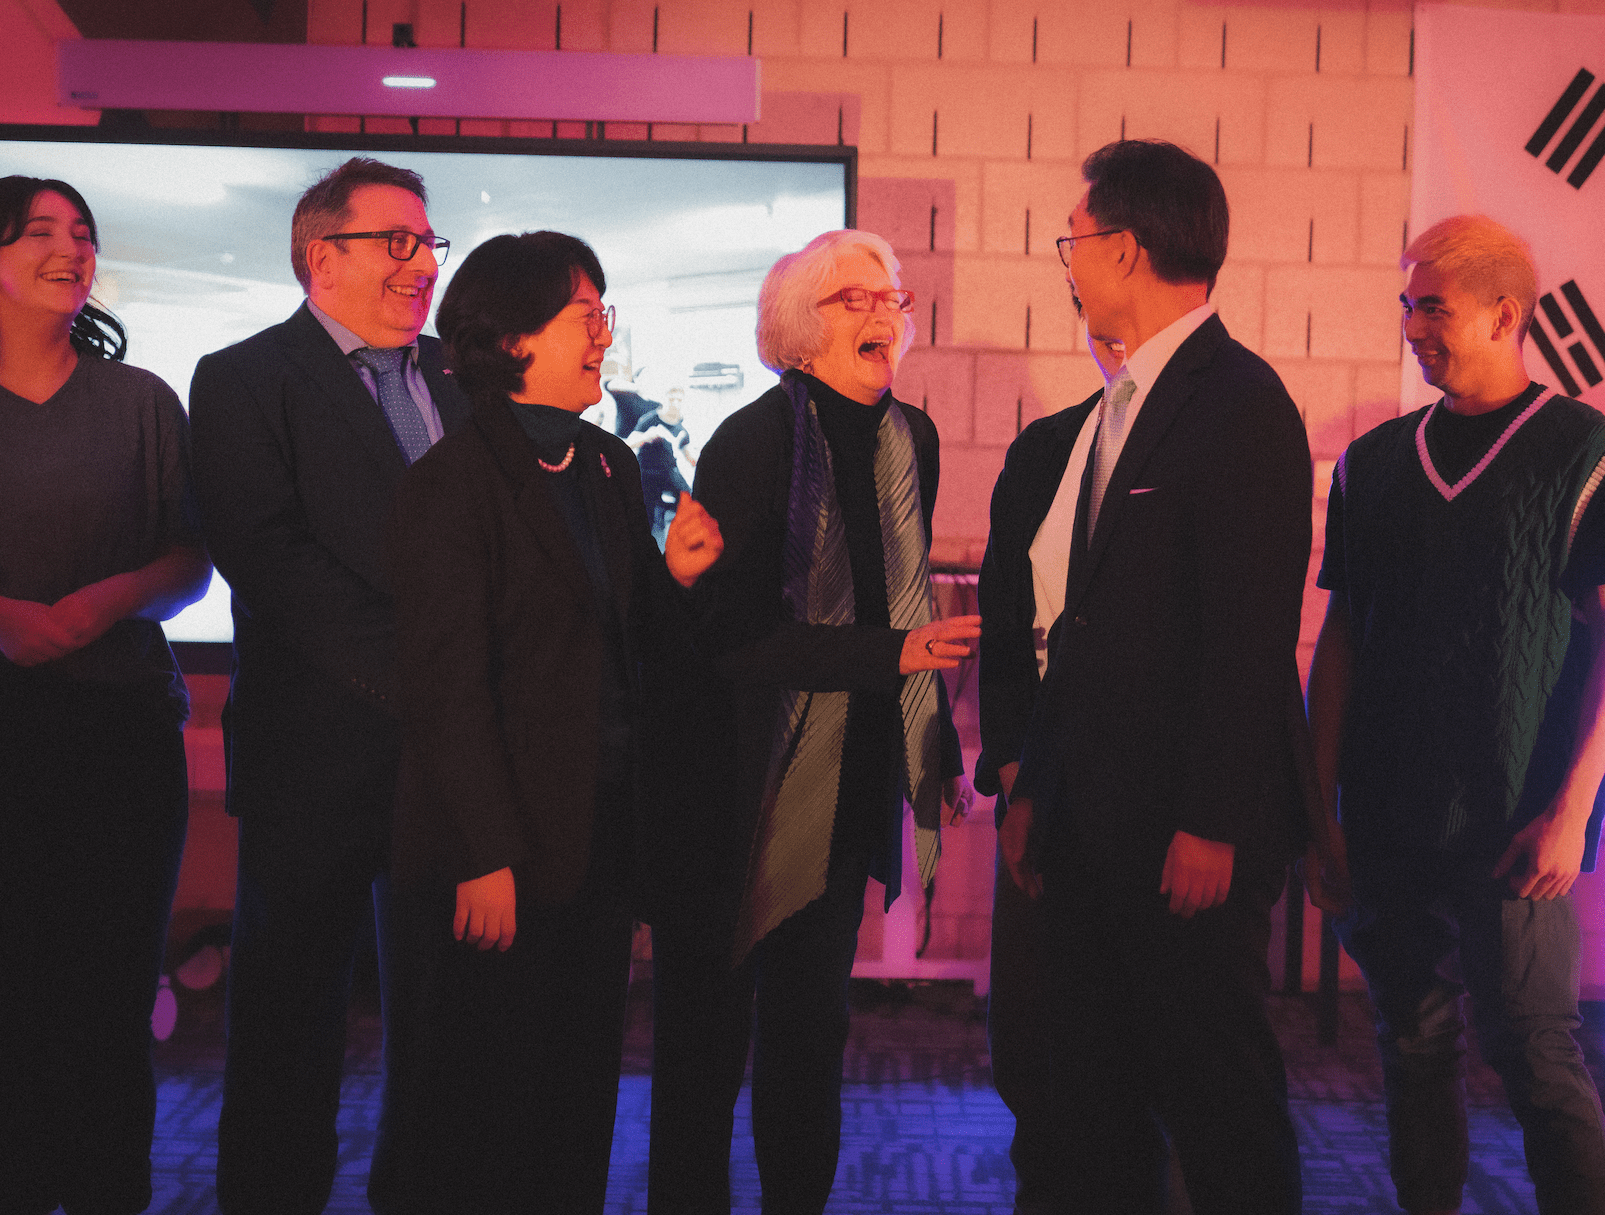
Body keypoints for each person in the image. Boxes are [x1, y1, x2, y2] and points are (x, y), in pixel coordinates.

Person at [370, 231, 722, 1213]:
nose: (605, 333)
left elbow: (620, 634)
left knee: (576, 1090)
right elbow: (447, 685)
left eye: (606, 311)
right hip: (495, 852)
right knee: (476, 1104)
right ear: (514, 336)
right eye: (586, 313)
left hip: (595, 839)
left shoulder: (606, 465)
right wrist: (485, 854)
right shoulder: (450, 484)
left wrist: (678, 580)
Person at [997, 138, 1312, 1215]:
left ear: (1125, 248)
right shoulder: (1121, 404)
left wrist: (1215, 820)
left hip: (1186, 831)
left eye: (1073, 241)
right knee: (1093, 1091)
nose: (1068, 262)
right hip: (1094, 822)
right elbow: (1080, 629)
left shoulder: (1240, 403)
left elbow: (1247, 636)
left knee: (1217, 1094)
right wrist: (1035, 782)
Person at [1305, 214, 1605, 1215]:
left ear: (1506, 314)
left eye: (1432, 305)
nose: (1412, 324)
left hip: (1518, 816)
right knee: (1411, 1045)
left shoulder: (1588, 454)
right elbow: (1342, 641)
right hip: (1390, 813)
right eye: (1408, 303)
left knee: (1535, 1051)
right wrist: (1320, 806)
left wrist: (1574, 809)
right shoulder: (1370, 464)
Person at [647, 228, 979, 1215]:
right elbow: (731, 636)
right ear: (799, 330)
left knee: (810, 1030)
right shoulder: (753, 440)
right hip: (739, 783)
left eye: (894, 296)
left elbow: (905, 600)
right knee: (706, 1040)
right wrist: (891, 658)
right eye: (855, 297)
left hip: (847, 782)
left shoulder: (908, 435)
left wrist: (936, 735)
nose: (885, 312)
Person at [0, 175, 211, 1214]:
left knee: (107, 996)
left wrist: (104, 603)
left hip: (120, 732)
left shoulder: (140, 401)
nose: (68, 248)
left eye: (82, 232)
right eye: (39, 231)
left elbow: (191, 560)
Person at [189, 157, 470, 1215]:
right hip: (318, 751)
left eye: (428, 242)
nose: (421, 263)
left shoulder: (458, 377)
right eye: (396, 240)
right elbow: (267, 558)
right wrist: (428, 679)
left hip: (451, 764)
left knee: (447, 1019)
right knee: (288, 1025)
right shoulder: (244, 376)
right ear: (321, 256)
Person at [974, 337, 1101, 1215]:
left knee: (1135, 1060)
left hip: (1148, 790)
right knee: (1032, 1042)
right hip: (1043, 779)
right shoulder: (1047, 448)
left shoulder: (1221, 431)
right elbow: (1004, 616)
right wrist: (1016, 768)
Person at [632, 384, 696, 545]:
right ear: (664, 399)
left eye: (679, 400)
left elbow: (690, 456)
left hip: (669, 472)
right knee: (646, 516)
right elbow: (629, 443)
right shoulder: (649, 420)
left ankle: (684, 543)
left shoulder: (681, 427)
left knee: (690, 501)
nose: (675, 403)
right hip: (647, 473)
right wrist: (647, 437)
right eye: (671, 399)